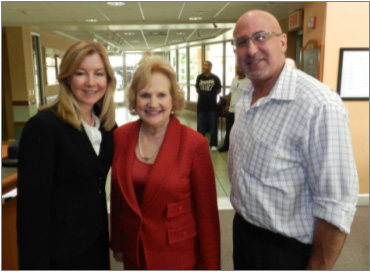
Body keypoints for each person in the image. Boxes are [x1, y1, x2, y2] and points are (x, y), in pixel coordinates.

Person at [229, 10, 359, 270]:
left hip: (285, 252)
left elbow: (336, 203)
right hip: (244, 233)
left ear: (283, 42)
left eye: (260, 37)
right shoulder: (246, 95)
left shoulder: (318, 105)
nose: (251, 50)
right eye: (242, 42)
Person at [110, 57, 220, 270]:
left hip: (177, 258)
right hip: (135, 255)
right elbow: (118, 197)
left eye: (161, 95)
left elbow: (208, 218)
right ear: (134, 99)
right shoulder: (121, 137)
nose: (153, 103)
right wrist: (118, 242)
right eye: (145, 95)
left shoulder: (194, 144)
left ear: (173, 99)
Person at [17, 40, 116, 269]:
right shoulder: (44, 127)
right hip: (59, 254)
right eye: (81, 73)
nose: (91, 82)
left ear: (108, 80)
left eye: (99, 74)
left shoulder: (107, 126)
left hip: (96, 246)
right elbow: (32, 213)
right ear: (67, 77)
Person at [218, 66, 250, 152]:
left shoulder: (249, 81)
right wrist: (227, 105)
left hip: (241, 111)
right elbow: (230, 93)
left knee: (239, 131)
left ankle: (237, 148)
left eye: (239, 68)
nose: (237, 69)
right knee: (229, 129)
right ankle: (226, 146)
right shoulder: (234, 79)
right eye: (236, 68)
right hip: (231, 110)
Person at [195, 61, 221, 152]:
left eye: (205, 65)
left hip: (212, 107)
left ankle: (213, 144)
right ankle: (200, 144)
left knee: (213, 126)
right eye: (203, 65)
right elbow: (197, 90)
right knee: (200, 126)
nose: (203, 67)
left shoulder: (215, 78)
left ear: (210, 67)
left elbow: (218, 90)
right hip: (201, 106)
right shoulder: (199, 77)